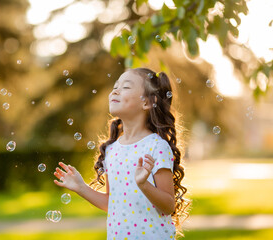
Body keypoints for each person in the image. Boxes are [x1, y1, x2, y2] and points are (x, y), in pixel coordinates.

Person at [54, 67, 191, 239]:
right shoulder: (111, 150)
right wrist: (81, 188)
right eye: (115, 86)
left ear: (147, 102)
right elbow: (112, 202)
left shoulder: (156, 147)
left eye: (126, 87)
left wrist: (144, 185)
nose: (115, 91)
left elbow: (168, 205)